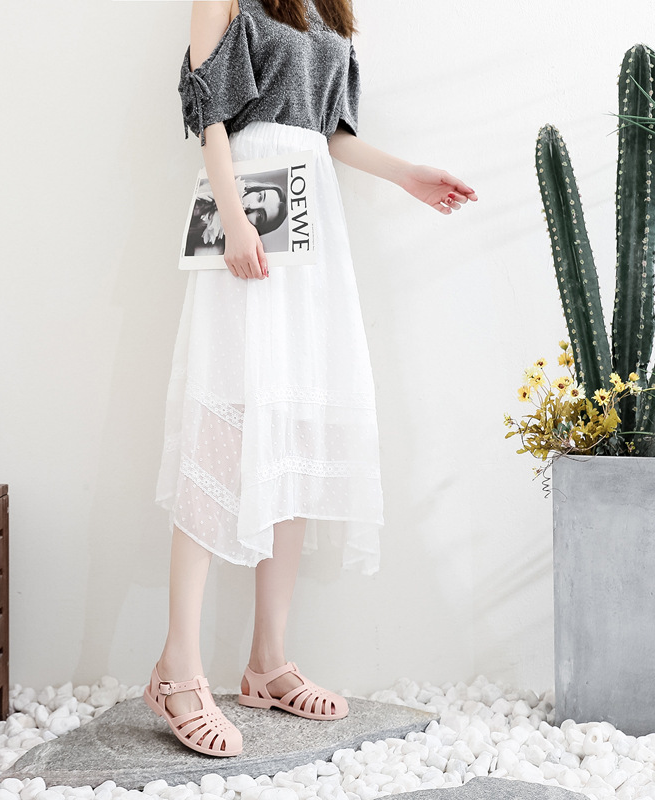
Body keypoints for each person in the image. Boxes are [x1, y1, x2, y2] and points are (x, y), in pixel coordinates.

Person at [146, 0, 478, 758]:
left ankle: (267, 661)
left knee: (295, 424)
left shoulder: (327, 6)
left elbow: (327, 133)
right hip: (248, 212)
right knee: (221, 424)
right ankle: (177, 667)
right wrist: (234, 217)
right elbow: (208, 113)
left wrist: (406, 175)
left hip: (312, 218)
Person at [184, 178, 288, 256]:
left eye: (260, 216)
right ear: (254, 189)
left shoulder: (214, 251)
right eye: (260, 197)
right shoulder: (211, 183)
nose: (251, 206)